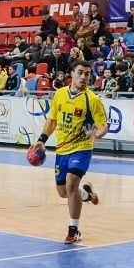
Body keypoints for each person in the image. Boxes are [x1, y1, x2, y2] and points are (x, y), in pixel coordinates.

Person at [28, 59, 108, 244]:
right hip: (62, 149)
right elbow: (53, 120)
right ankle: (87, 194)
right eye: (80, 72)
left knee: (71, 184)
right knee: (63, 192)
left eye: (87, 74)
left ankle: (74, 231)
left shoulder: (93, 100)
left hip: (81, 149)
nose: (83, 77)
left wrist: (96, 133)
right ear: (71, 74)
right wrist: (41, 141)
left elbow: (103, 127)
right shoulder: (60, 95)